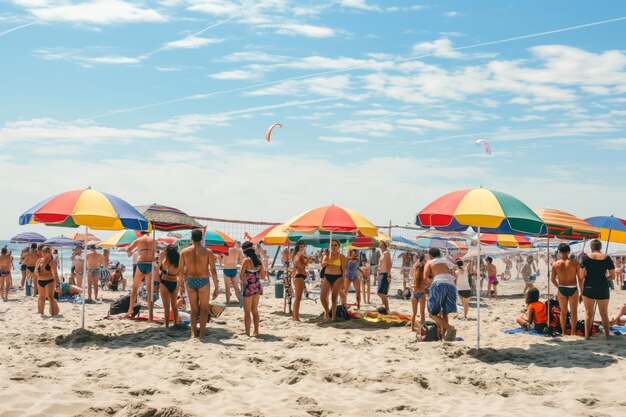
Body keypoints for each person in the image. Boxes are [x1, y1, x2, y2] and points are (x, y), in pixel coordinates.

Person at [178, 228, 219, 339]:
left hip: (190, 280)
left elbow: (180, 271)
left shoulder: (184, 252)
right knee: (204, 309)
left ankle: (192, 333)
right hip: (204, 281)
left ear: (191, 239)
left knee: (194, 310)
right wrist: (216, 286)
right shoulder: (208, 252)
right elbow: (213, 271)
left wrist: (181, 285)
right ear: (201, 239)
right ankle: (202, 333)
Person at [580, 239, 616, 340]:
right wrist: (604, 278)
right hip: (602, 287)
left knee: (588, 313)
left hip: (589, 286)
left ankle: (587, 336)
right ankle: (607, 336)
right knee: (604, 313)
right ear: (600, 247)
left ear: (591, 248)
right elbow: (613, 276)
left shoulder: (586, 258)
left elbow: (581, 276)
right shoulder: (607, 258)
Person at [424, 247, 457, 341]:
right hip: (451, 285)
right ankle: (445, 335)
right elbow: (454, 275)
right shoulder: (447, 261)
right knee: (444, 312)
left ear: (430, 256)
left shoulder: (430, 262)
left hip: (439, 283)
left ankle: (449, 328)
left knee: (432, 313)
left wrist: (432, 288)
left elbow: (425, 277)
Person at [550, 243, 582, 336]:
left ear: (559, 252)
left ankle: (563, 332)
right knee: (573, 312)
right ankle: (573, 333)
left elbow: (552, 279)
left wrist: (559, 287)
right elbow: (580, 279)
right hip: (573, 288)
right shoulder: (575, 264)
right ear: (569, 252)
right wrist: (582, 291)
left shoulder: (555, 264)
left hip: (562, 288)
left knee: (563, 312)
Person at [126, 231, 157, 321]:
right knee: (149, 291)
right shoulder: (153, 240)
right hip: (150, 265)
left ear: (141, 233)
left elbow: (128, 249)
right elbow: (156, 252)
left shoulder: (138, 240)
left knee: (135, 288)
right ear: (148, 233)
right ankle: (150, 315)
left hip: (141, 264)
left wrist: (133, 251)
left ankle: (130, 310)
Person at [240, 241, 265, 336]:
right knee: (254, 310)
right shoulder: (259, 261)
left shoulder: (246, 260)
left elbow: (241, 275)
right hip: (257, 287)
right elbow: (262, 276)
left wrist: (244, 283)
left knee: (247, 312)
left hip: (248, 287)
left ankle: (247, 333)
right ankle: (256, 331)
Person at [320, 239, 346, 321]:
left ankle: (333, 317)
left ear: (338, 246)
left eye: (335, 245)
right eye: (332, 245)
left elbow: (343, 270)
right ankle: (327, 311)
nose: (333, 247)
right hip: (327, 276)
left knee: (334, 297)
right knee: (322, 297)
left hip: (337, 277)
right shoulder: (327, 255)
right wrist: (328, 259)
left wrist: (343, 282)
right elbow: (322, 264)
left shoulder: (342, 256)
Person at [159, 244, 180, 329]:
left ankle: (167, 326)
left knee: (166, 307)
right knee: (174, 306)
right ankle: (175, 324)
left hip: (165, 282)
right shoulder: (179, 258)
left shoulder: (165, 258)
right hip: (175, 282)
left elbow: (160, 266)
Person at [34, 246, 59, 316]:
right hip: (40, 281)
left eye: (45, 252)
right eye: (43, 252)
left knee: (50, 297)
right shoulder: (39, 260)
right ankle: (41, 313)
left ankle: (53, 314)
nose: (43, 254)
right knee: (41, 297)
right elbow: (35, 271)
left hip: (49, 281)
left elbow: (55, 273)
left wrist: (57, 284)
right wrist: (37, 272)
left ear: (49, 253)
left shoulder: (52, 262)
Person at [292, 240, 311, 322]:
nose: (302, 247)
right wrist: (307, 260)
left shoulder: (301, 255)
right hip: (298, 276)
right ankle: (295, 317)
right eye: (300, 246)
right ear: (297, 247)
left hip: (300, 277)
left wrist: (308, 259)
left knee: (298, 298)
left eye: (303, 246)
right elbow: (301, 266)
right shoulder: (297, 255)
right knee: (298, 298)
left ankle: (295, 317)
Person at [410, 253, 427, 331]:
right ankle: (422, 328)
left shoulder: (415, 274)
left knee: (414, 313)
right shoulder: (424, 270)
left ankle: (412, 328)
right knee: (422, 313)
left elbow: (413, 280)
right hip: (421, 293)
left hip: (414, 293)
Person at [376, 241, 392, 313]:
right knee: (381, 292)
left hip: (385, 273)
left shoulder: (386, 253)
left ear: (383, 244)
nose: (379, 243)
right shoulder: (383, 253)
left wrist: (388, 275)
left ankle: (387, 309)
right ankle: (385, 309)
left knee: (381, 293)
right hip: (381, 274)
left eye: (380, 242)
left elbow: (389, 264)